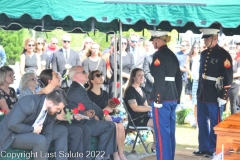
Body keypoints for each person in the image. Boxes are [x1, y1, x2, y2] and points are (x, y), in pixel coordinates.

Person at [193, 29, 233, 158]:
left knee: (215, 123)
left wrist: (223, 96)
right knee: (201, 121)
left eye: (208, 38)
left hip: (215, 94)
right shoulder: (204, 53)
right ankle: (203, 147)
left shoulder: (224, 55)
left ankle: (213, 148)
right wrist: (198, 92)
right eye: (204, 39)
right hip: (203, 93)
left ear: (215, 38)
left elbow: (228, 78)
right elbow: (201, 74)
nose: (205, 41)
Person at [0, 89, 69, 160]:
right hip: (12, 134)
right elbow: (12, 124)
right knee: (40, 140)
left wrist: (44, 152)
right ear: (51, 103)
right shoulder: (29, 103)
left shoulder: (51, 110)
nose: (58, 111)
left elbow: (48, 133)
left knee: (62, 130)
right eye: (58, 109)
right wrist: (32, 129)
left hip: (35, 131)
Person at [38, 69, 91, 160]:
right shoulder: (40, 95)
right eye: (56, 76)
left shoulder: (58, 94)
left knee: (85, 129)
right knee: (76, 130)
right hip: (43, 127)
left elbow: (62, 116)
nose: (59, 77)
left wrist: (74, 116)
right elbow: (44, 116)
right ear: (49, 80)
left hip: (56, 125)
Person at [67, 65, 118, 160]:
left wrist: (91, 113)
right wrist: (103, 115)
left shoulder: (78, 87)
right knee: (110, 126)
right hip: (81, 123)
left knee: (111, 125)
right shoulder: (76, 89)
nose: (86, 74)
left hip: (84, 120)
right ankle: (102, 156)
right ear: (75, 76)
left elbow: (87, 106)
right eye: (83, 72)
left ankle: (105, 155)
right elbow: (89, 104)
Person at [149, 31, 182, 160]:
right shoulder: (172, 54)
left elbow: (159, 78)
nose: (152, 42)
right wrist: (177, 96)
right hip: (172, 96)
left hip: (162, 98)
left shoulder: (158, 55)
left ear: (158, 39)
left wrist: (158, 97)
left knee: (162, 133)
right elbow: (178, 79)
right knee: (170, 132)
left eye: (153, 40)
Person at [87, 70, 127, 160]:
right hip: (96, 119)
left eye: (101, 74)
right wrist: (104, 111)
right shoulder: (88, 94)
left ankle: (121, 154)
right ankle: (115, 153)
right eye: (98, 75)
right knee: (115, 126)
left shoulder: (105, 93)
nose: (101, 76)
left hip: (106, 117)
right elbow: (89, 111)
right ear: (91, 80)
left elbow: (109, 107)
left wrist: (113, 108)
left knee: (120, 126)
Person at [124, 68, 156, 152]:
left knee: (161, 120)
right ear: (133, 77)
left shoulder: (142, 89)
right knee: (159, 122)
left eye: (143, 75)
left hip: (145, 117)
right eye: (139, 75)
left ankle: (156, 146)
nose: (142, 77)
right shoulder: (130, 90)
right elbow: (135, 108)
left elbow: (145, 105)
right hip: (136, 119)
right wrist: (151, 108)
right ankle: (155, 147)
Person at [185, 42, 201, 128]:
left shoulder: (201, 57)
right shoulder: (190, 57)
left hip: (201, 81)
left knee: (200, 102)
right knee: (194, 102)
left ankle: (200, 121)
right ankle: (196, 121)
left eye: (197, 47)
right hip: (193, 80)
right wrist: (192, 75)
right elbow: (187, 68)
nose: (196, 48)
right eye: (194, 47)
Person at [228, 49, 240, 114]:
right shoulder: (225, 63)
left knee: (233, 103)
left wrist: (229, 75)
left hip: (235, 85)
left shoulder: (238, 63)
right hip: (226, 84)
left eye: (233, 53)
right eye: (230, 53)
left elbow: (238, 73)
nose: (231, 55)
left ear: (235, 54)